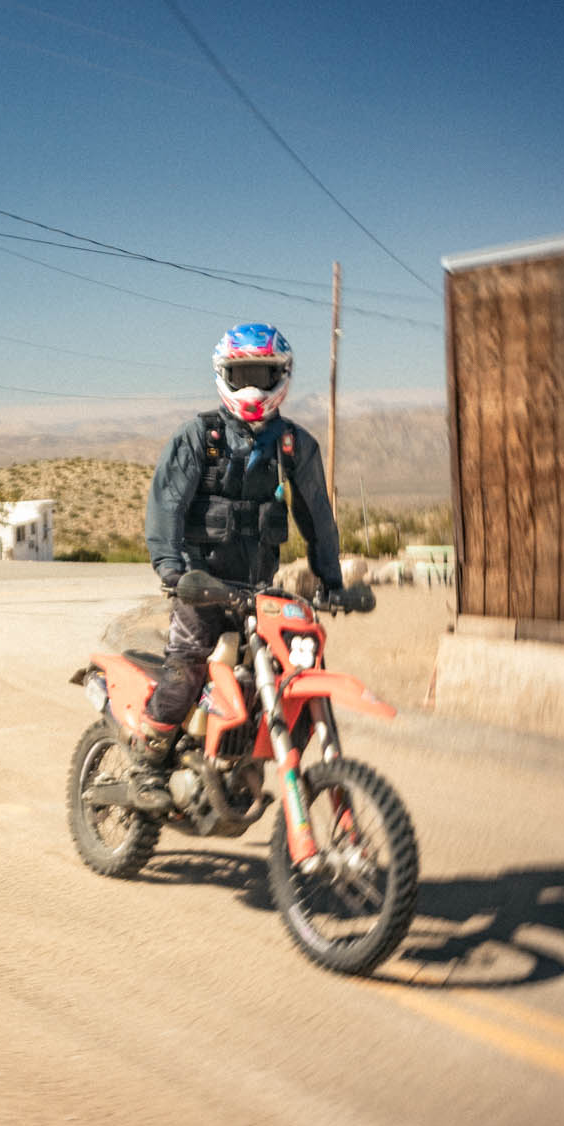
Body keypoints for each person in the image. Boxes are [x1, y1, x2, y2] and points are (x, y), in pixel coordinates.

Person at [132, 324, 344, 799]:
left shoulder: (294, 445)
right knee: (188, 666)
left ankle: (258, 758)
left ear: (281, 376)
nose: (251, 386)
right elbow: (166, 505)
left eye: (261, 374)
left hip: (259, 590)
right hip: (201, 584)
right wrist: (172, 569)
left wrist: (332, 580)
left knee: (295, 667)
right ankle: (149, 764)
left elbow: (317, 515)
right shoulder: (199, 437)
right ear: (223, 375)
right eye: (241, 374)